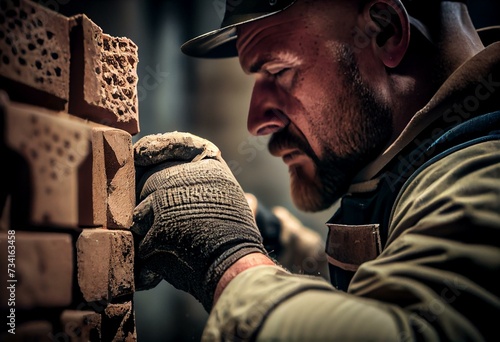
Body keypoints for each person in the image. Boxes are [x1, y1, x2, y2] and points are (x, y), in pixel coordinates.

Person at [131, 0, 500, 340]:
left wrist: (228, 259)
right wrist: (270, 235)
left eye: (278, 71)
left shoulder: (482, 179)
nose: (256, 122)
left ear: (385, 31)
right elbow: (385, 282)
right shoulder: (419, 163)